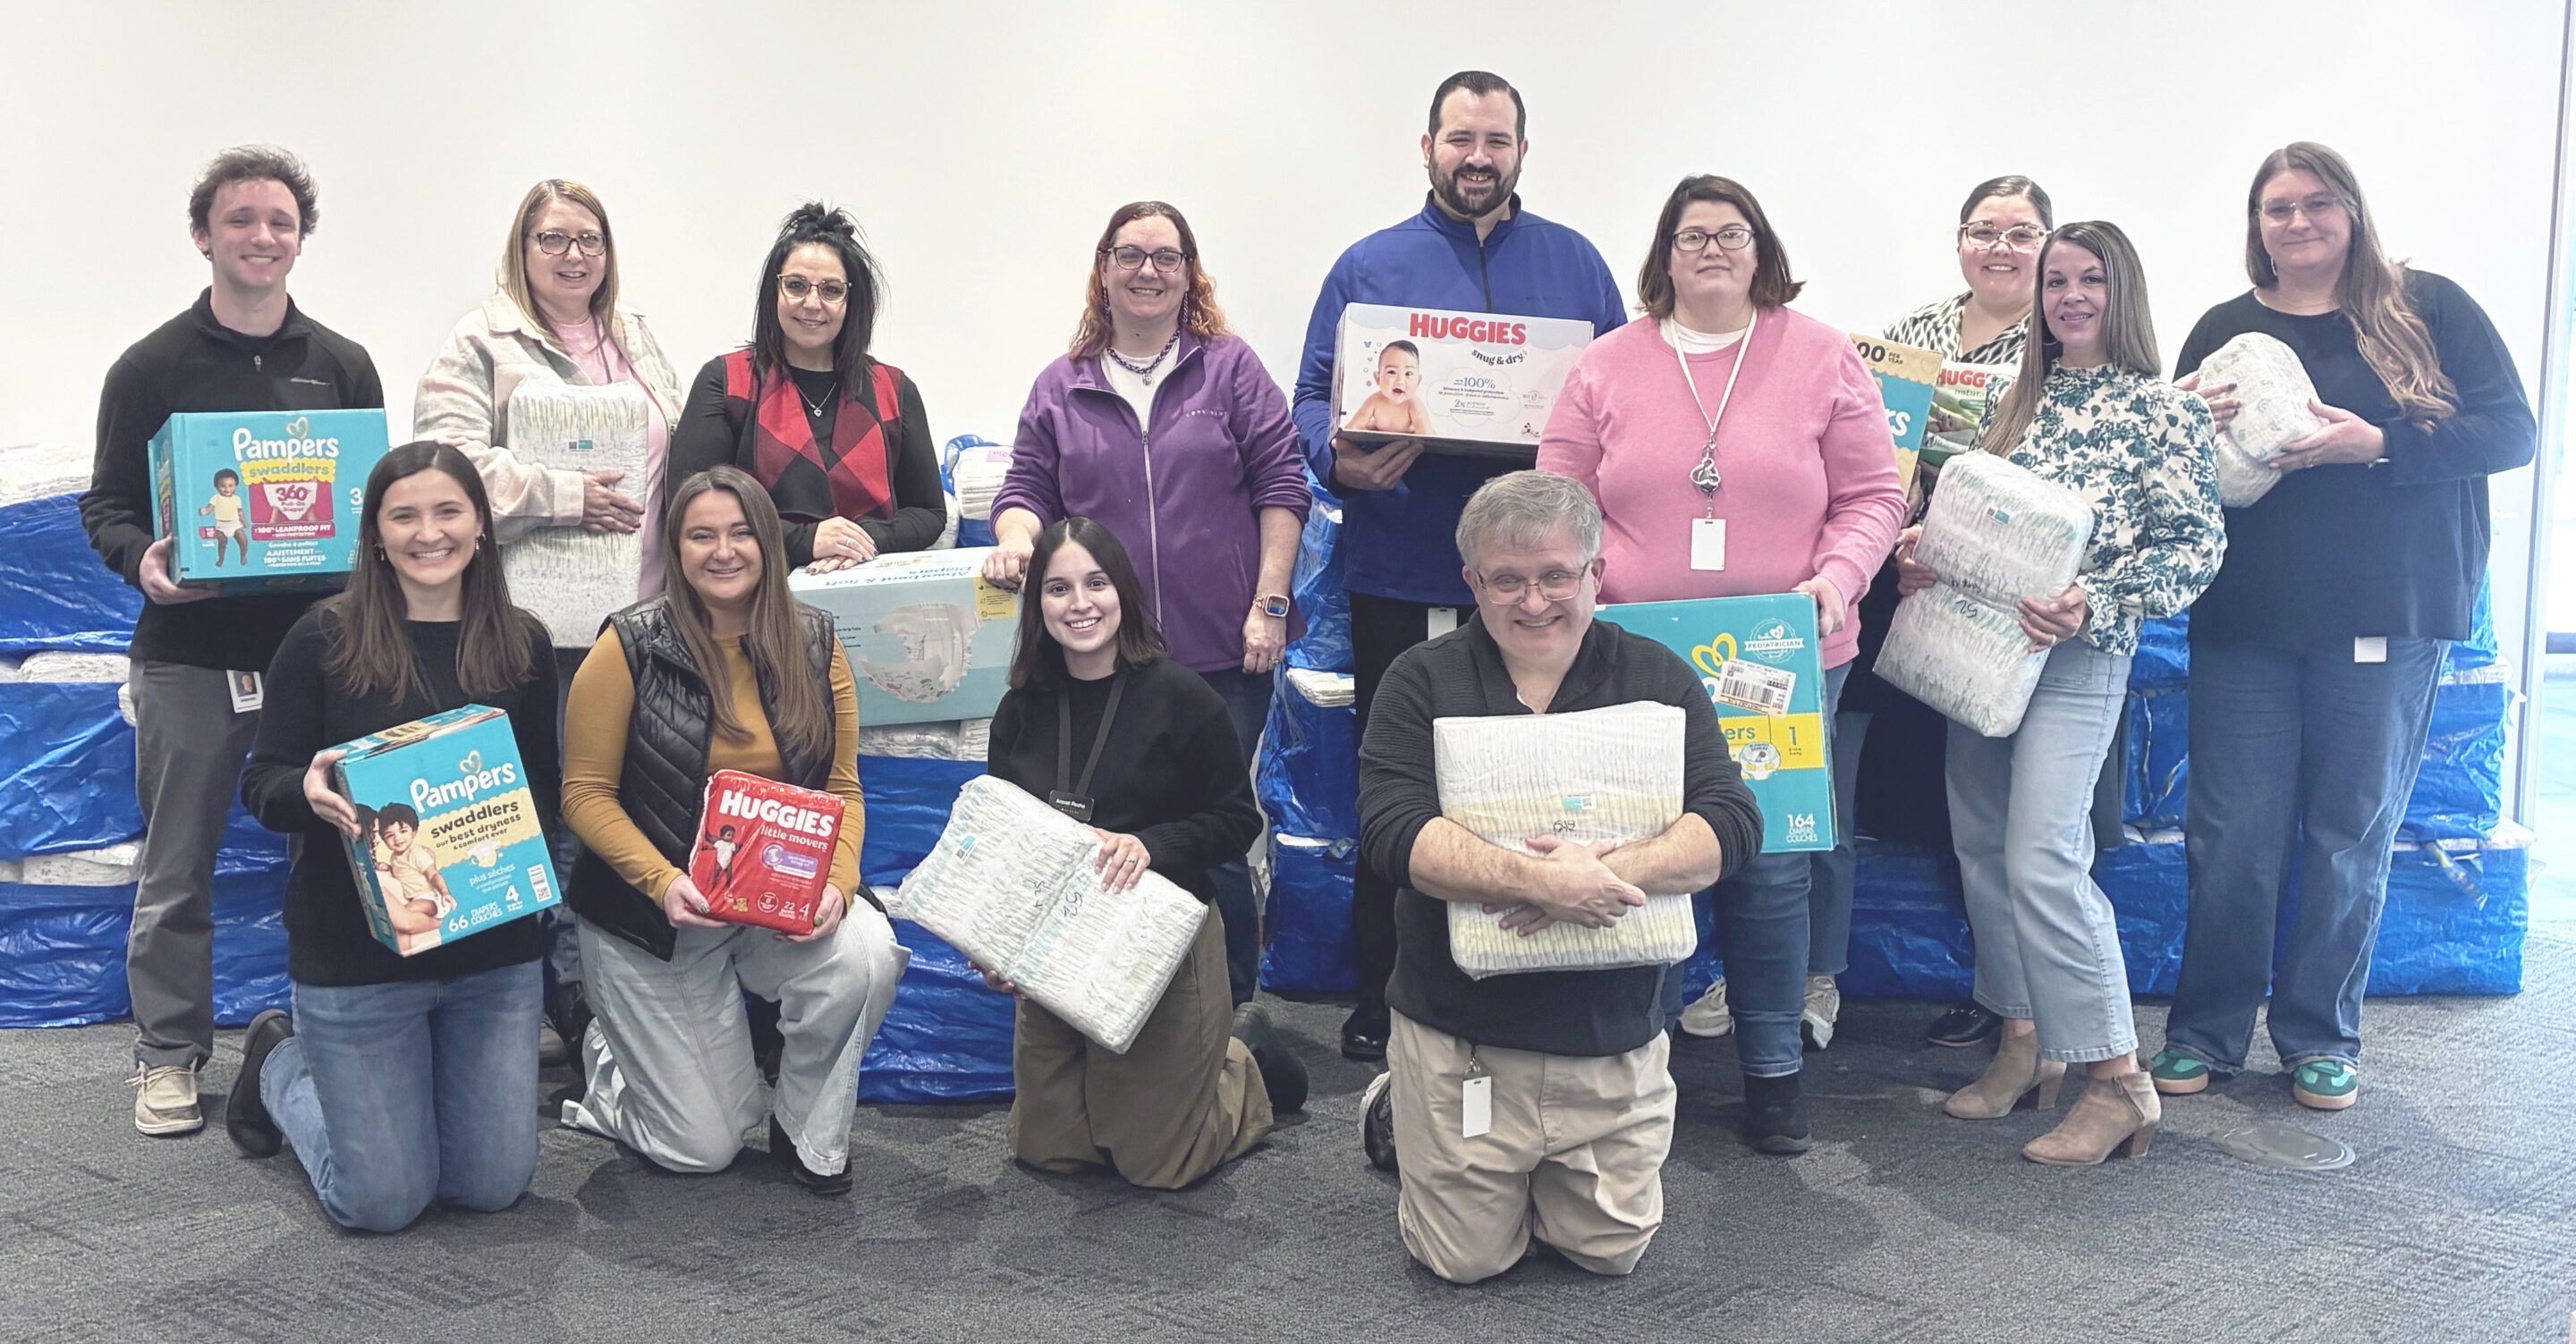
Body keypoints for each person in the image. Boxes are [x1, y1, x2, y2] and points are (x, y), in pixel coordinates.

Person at [2154, 143, 2536, 1112]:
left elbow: (2512, 431)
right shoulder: (2226, 328)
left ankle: (2321, 1036)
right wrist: (2181, 422)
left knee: (2346, 831)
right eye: (2277, 208)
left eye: (2317, 203)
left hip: (2385, 613)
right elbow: (2171, 465)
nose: (2298, 221)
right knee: (2231, 834)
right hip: (2246, 614)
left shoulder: (2427, 308)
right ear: (2257, 225)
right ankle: (2203, 1033)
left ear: (2353, 214)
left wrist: (2380, 444)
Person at [1538, 173, 1903, 1153]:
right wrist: (1585, 585)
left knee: (1773, 867)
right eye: (1691, 235)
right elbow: (1559, 499)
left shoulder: (1823, 356)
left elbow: (1875, 496)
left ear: (1761, 249)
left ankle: (1773, 1074)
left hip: (1785, 653)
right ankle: (1633, 1064)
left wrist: (1840, 576)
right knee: (1645, 861)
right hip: (1637, 655)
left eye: (1730, 234)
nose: (1710, 250)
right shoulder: (1607, 364)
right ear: (1663, 255)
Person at [1292, 70, 1629, 1063]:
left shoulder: (1576, 265)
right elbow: (1312, 397)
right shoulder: (1369, 263)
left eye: (1496, 141)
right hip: (1400, 562)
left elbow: (1624, 391)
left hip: (1539, 581)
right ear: (1427, 147)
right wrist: (1337, 459)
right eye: (1459, 140)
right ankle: (1383, 985)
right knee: (1397, 779)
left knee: (1537, 776)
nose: (1477, 158)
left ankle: (1537, 964)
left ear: (1523, 151)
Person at [1355, 470, 1758, 1281]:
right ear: (1471, 582)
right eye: (1506, 579)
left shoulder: (1660, 677)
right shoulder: (1420, 679)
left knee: (1608, 1252)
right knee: (1463, 1261)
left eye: (1555, 576)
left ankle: (1520, 1166)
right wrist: (1536, 883)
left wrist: (1598, 874)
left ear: (1596, 574)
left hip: (1611, 1035)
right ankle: (1395, 1102)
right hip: (1463, 1033)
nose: (1533, 601)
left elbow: (1733, 823)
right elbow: (1391, 832)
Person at [1894, 221, 2224, 1164]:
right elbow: (1952, 508)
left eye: (2091, 279)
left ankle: (2117, 1078)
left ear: (2124, 292)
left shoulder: (2164, 412)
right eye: (2055, 281)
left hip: (2078, 658)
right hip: (1977, 653)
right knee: (1983, 849)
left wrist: (2099, 599)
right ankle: (2023, 1039)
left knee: (2042, 855)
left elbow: (2197, 550)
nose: (2070, 296)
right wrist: (1923, 553)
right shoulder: (2008, 400)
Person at [78, 145, 385, 1137]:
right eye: (242, 219)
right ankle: (168, 1057)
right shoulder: (150, 367)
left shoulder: (341, 365)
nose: (263, 236)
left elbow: (367, 506)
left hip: (320, 653)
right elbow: (108, 504)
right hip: (189, 655)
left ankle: (325, 1032)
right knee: (178, 868)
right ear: (204, 234)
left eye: (281, 221)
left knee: (333, 850)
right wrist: (142, 560)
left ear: (302, 240)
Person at [982, 200, 1309, 1007]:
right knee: (1109, 829)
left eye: (1167, 257)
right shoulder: (1062, 385)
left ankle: (1226, 1010)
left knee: (1214, 833)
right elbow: (1026, 487)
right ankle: (1104, 993)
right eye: (1131, 255)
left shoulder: (1229, 369)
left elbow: (1282, 485)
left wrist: (1270, 603)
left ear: (1190, 272)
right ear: (1103, 270)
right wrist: (1018, 538)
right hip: (1100, 657)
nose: (1149, 271)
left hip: (1220, 654)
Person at [227, 443, 560, 1232]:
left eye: (449, 511)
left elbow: (544, 789)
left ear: (481, 524)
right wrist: (307, 793)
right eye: (403, 515)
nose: (428, 532)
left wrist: (503, 842)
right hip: (357, 960)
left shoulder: (524, 644)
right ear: (375, 534)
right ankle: (278, 1062)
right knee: (379, 1202)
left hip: (491, 958)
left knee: (488, 1186)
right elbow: (262, 779)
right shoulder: (322, 639)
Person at [555, 466, 907, 1194]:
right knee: (702, 1146)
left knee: (868, 951)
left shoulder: (815, 641)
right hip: (652, 918)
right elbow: (583, 796)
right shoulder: (627, 646)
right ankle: (606, 1054)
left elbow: (842, 788)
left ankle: (806, 1130)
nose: (724, 551)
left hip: (767, 906)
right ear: (675, 548)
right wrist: (663, 881)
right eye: (701, 535)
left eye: (742, 532)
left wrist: (838, 890)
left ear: (770, 542)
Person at [414, 177, 687, 1052]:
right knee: (541, 808)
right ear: (520, 249)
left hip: (640, 619)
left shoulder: (633, 335)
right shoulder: (479, 341)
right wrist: (565, 494)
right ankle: (548, 999)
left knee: (613, 805)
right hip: (532, 623)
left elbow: (672, 451)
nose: (573, 255)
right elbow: (446, 470)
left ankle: (588, 993)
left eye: (589, 239)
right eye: (553, 239)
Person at [976, 517, 1305, 1189]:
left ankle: (1246, 1064)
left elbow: (1236, 820)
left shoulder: (1182, 699)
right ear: (1037, 603)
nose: (1080, 604)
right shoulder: (1020, 708)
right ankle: (1141, 1081)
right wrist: (999, 942)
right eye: (1059, 588)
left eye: (1096, 583)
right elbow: (1006, 844)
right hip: (1061, 942)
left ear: (1123, 591)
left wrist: (1150, 847)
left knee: (1157, 1162)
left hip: (1160, 934)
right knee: (1049, 1148)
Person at [1857, 175, 2056, 1051]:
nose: (2001, 248)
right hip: (1925, 585)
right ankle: (1996, 994)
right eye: (1984, 230)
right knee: (1959, 809)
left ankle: (2034, 1004)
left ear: (2051, 243)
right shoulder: (1912, 337)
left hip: (2025, 600)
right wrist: (1901, 528)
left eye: (2021, 232)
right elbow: (1875, 450)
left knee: (2022, 816)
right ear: (1960, 241)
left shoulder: (2068, 333)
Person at [668, 203, 946, 574]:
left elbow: (929, 512)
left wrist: (860, 539)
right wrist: (805, 540)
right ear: (774, 291)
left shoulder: (894, 390)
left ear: (852, 300)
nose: (812, 304)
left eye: (831, 290)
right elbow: (689, 505)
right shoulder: (726, 381)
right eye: (796, 286)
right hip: (753, 596)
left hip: (870, 593)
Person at [1343, 342, 1434, 435]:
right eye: (1392, 372)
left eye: (1408, 374)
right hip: (1381, 435)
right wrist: (1343, 438)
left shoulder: (1414, 405)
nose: (1400, 381)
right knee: (1360, 431)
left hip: (1407, 439)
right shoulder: (1374, 401)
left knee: (1418, 444)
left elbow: (1425, 434)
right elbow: (1355, 425)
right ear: (1378, 378)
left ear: (1418, 381)